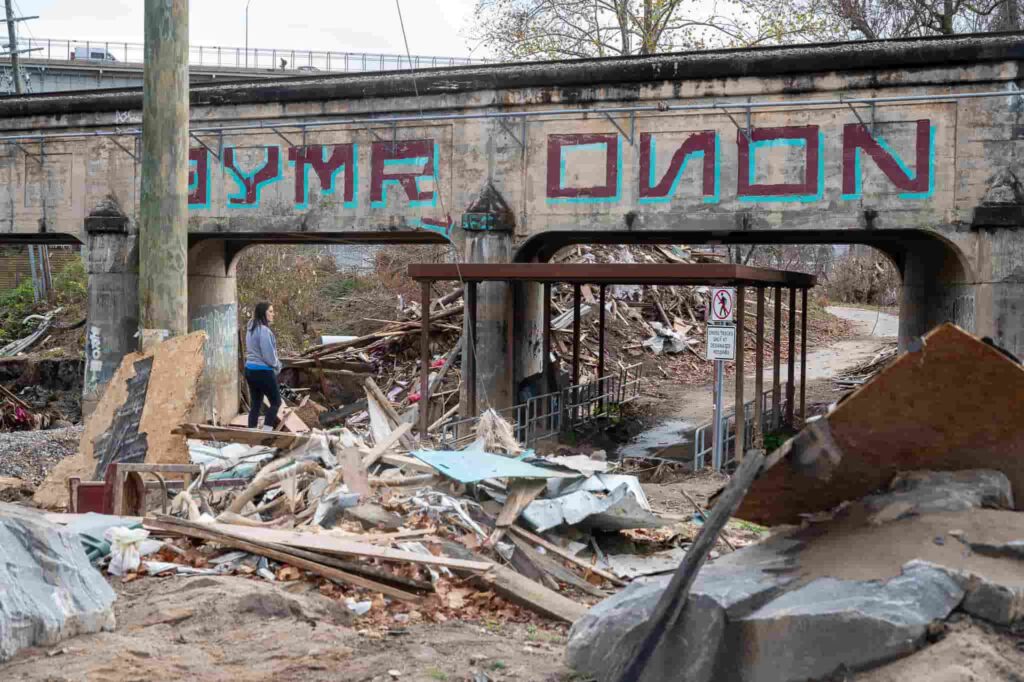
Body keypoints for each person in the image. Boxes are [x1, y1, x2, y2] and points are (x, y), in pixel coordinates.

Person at [245, 302, 283, 429]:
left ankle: (251, 434)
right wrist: (277, 365)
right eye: (270, 311)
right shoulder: (264, 331)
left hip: (250, 370)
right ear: (263, 313)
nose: (273, 314)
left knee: (256, 403)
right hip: (263, 371)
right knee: (276, 402)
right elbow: (268, 355)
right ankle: (266, 434)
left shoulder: (250, 329)